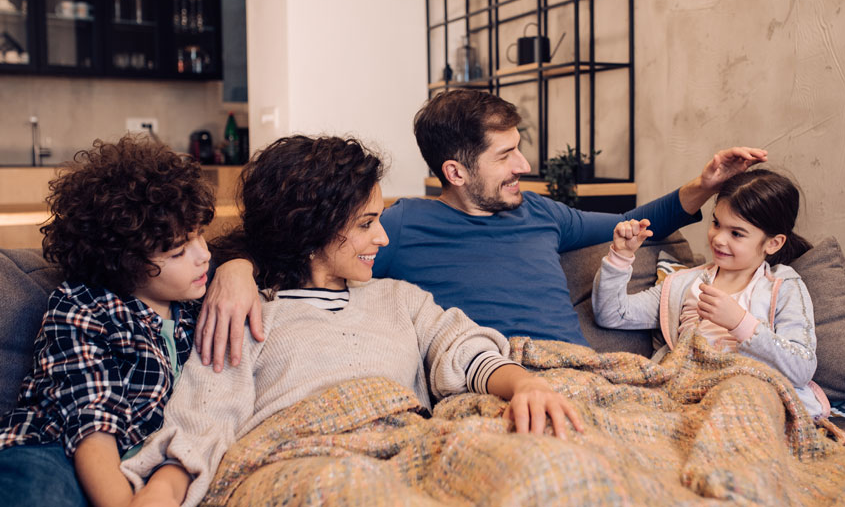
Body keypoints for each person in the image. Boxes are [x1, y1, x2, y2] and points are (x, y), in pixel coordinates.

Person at [121, 135, 583, 507]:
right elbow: (205, 412)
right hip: (300, 460)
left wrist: (525, 385)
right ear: (312, 230)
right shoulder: (248, 311)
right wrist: (163, 488)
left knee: (544, 468)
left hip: (413, 443)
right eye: (366, 223)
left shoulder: (400, 298)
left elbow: (462, 348)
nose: (382, 237)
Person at [197, 90, 768, 371]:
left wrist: (704, 183)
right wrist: (235, 268)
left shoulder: (542, 213)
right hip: (488, 377)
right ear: (456, 171)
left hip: (585, 371)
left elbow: (635, 225)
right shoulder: (396, 227)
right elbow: (301, 238)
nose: (524, 166)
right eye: (507, 155)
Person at [0, 136, 215, 507]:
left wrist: (239, 272)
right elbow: (92, 427)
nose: (204, 256)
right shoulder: (81, 306)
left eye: (201, 237)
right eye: (179, 250)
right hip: (58, 450)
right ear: (126, 263)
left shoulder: (195, 306)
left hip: (146, 460)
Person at [591, 169, 830, 418]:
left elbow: (801, 368)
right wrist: (621, 256)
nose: (718, 239)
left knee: (739, 395)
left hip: (747, 398)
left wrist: (740, 322)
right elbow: (612, 314)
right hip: (685, 393)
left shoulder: (783, 286)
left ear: (773, 243)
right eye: (716, 223)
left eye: (736, 233)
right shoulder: (685, 284)